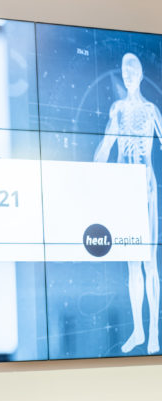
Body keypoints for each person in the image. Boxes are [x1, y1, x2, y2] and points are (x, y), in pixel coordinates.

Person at [94, 52, 162, 354]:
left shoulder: (151, 110)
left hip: (145, 185)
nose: (128, 76)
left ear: (141, 73)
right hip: (125, 189)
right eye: (124, 72)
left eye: (132, 71)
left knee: (150, 262)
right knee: (132, 263)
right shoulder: (118, 109)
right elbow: (106, 145)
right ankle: (138, 330)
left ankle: (154, 333)